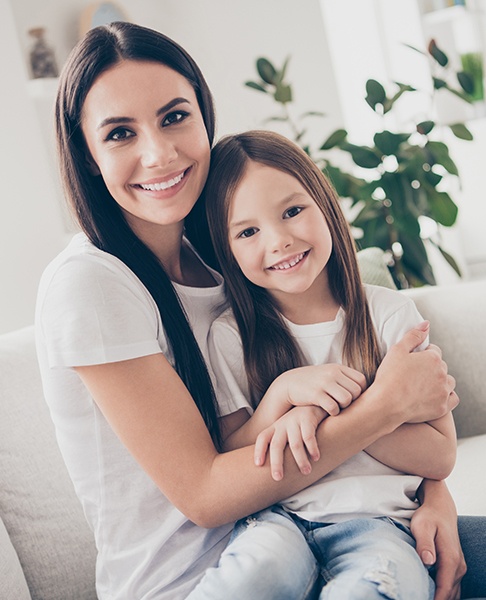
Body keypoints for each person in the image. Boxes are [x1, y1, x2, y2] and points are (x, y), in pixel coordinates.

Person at [33, 20, 479, 600]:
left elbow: (385, 449)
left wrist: (431, 495)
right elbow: (208, 492)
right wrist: (384, 406)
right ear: (88, 156)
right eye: (120, 133)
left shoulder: (226, 264)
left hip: (324, 532)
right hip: (206, 577)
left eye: (174, 117)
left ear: (204, 114)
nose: (158, 153)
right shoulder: (89, 285)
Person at [198, 129, 457, 599]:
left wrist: (324, 411)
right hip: (276, 521)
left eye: (293, 211)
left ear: (325, 205)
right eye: (248, 231)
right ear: (226, 248)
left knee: (380, 585)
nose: (279, 241)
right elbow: (234, 458)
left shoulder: (391, 316)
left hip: (380, 525)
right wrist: (282, 395)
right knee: (251, 578)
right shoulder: (230, 336)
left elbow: (440, 456)